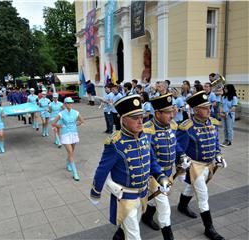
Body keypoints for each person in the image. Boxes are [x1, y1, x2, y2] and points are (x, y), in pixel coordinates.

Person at [90, 94, 169, 240]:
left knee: (130, 227)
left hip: (142, 193)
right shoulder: (115, 143)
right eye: (135, 118)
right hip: (125, 197)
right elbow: (102, 169)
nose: (140, 121)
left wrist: (161, 176)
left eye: (141, 116)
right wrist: (96, 192)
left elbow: (151, 160)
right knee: (134, 235)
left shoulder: (145, 136)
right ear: (123, 119)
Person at [176, 90, 226, 240]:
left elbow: (216, 141)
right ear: (196, 110)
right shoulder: (187, 127)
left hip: (209, 164)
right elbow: (177, 146)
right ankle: (209, 228)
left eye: (209, 107)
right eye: (205, 108)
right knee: (203, 195)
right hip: (194, 166)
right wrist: (181, 162)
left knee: (191, 187)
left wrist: (218, 155)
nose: (209, 110)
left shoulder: (212, 122)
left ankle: (182, 206)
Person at [142, 93, 190, 239]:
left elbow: (175, 145)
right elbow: (148, 156)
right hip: (153, 176)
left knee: (152, 200)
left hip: (167, 174)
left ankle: (145, 217)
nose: (172, 114)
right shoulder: (147, 130)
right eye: (168, 112)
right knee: (164, 209)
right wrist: (159, 175)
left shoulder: (172, 125)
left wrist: (182, 157)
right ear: (157, 113)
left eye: (172, 110)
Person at [52, 97, 84, 181]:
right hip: (65, 134)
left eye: (71, 103)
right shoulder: (61, 113)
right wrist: (61, 126)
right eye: (68, 103)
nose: (69, 104)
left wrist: (75, 124)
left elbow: (82, 121)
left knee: (71, 152)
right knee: (70, 152)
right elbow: (53, 123)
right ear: (65, 104)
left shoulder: (76, 112)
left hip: (74, 133)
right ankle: (75, 173)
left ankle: (68, 163)